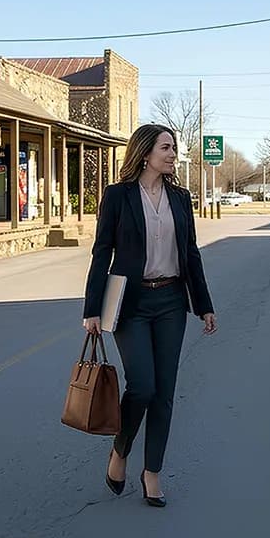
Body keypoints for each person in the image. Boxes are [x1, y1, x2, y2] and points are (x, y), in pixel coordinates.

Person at [82, 123, 217, 508]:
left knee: (165, 393)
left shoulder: (180, 197)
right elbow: (101, 252)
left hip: (172, 301)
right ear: (146, 153)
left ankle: (152, 471)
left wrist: (203, 304)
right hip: (131, 303)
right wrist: (92, 309)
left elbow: (190, 253)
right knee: (142, 386)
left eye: (174, 148)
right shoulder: (118, 196)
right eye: (167, 148)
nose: (173, 154)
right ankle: (120, 451)